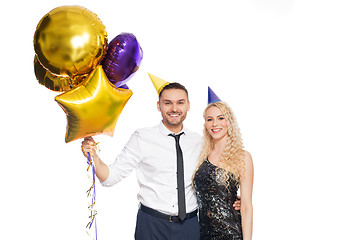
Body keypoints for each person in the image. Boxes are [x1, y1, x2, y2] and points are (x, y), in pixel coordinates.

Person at [82, 76, 240, 240]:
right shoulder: (142, 138)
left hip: (190, 225)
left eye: (180, 102)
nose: (174, 108)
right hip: (151, 225)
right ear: (159, 106)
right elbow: (110, 178)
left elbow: (217, 173)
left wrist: (234, 200)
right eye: (167, 103)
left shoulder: (200, 142)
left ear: (188, 106)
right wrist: (94, 157)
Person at [193, 100, 254, 240]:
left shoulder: (242, 157)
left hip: (230, 233)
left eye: (221, 118)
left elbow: (246, 207)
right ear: (205, 124)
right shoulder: (202, 154)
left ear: (229, 122)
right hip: (203, 234)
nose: (215, 124)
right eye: (210, 119)